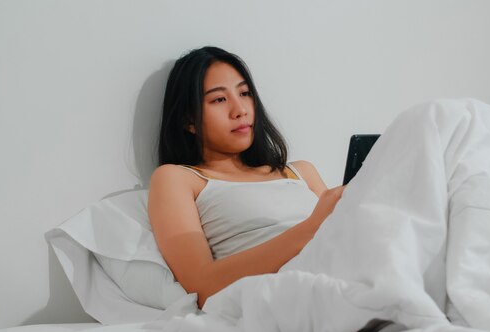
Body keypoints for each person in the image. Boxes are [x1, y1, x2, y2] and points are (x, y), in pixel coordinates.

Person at [148, 46, 346, 308]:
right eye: (219, 99)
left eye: (244, 93)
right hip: (292, 291)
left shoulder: (301, 172)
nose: (240, 109)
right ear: (189, 120)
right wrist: (311, 229)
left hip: (347, 265)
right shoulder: (177, 178)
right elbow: (200, 286)